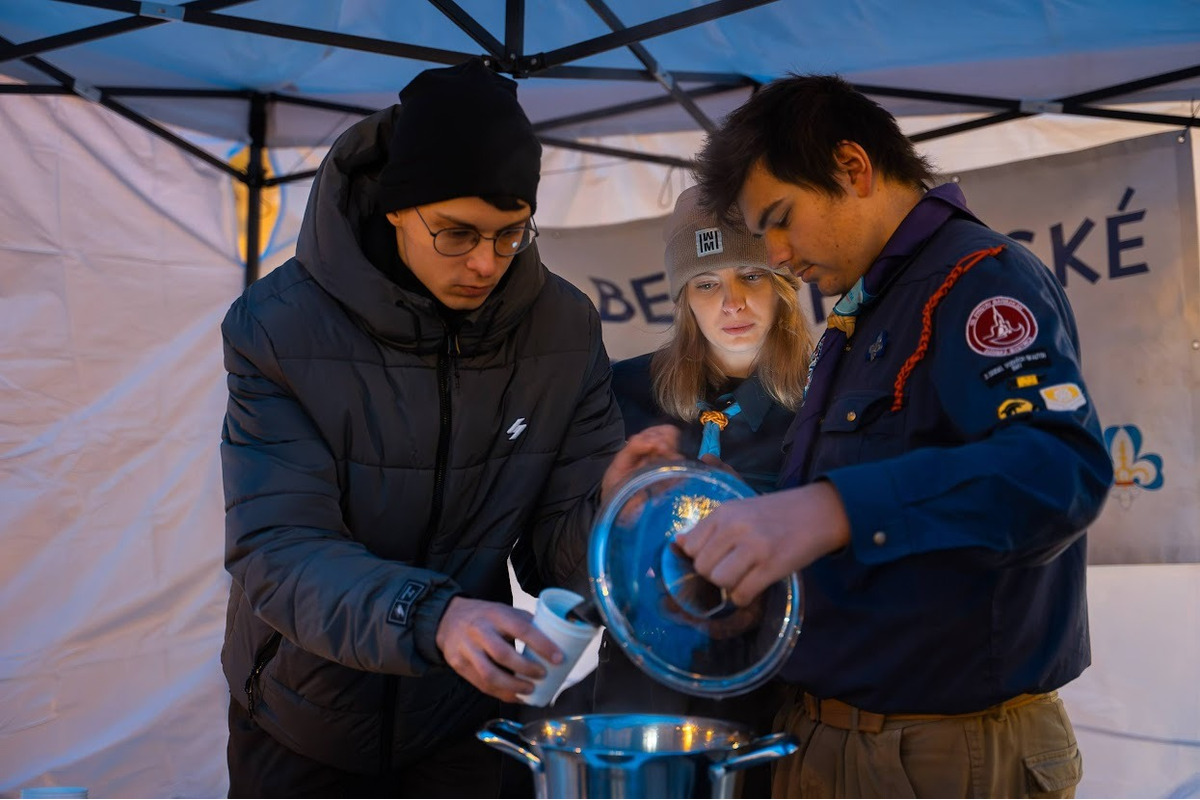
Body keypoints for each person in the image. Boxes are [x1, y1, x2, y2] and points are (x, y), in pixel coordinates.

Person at [218, 58, 671, 798]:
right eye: (456, 234)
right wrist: (431, 617)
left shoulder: (563, 328)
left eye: (510, 234)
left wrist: (613, 511)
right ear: (397, 208)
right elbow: (278, 547)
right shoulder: (277, 327)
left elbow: (554, 556)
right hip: (300, 716)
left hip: (464, 718)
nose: (485, 263)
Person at [659, 74, 1114, 798]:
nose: (776, 254)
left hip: (943, 754)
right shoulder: (864, 310)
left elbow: (1059, 471)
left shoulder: (976, 281)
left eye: (781, 218)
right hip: (825, 740)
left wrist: (831, 508)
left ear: (852, 167)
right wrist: (764, 583)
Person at [594, 184, 813, 795]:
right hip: (640, 697)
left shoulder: (825, 399)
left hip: (774, 701)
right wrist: (610, 509)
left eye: (751, 275)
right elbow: (567, 550)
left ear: (783, 284)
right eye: (706, 283)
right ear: (683, 298)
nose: (732, 303)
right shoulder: (620, 394)